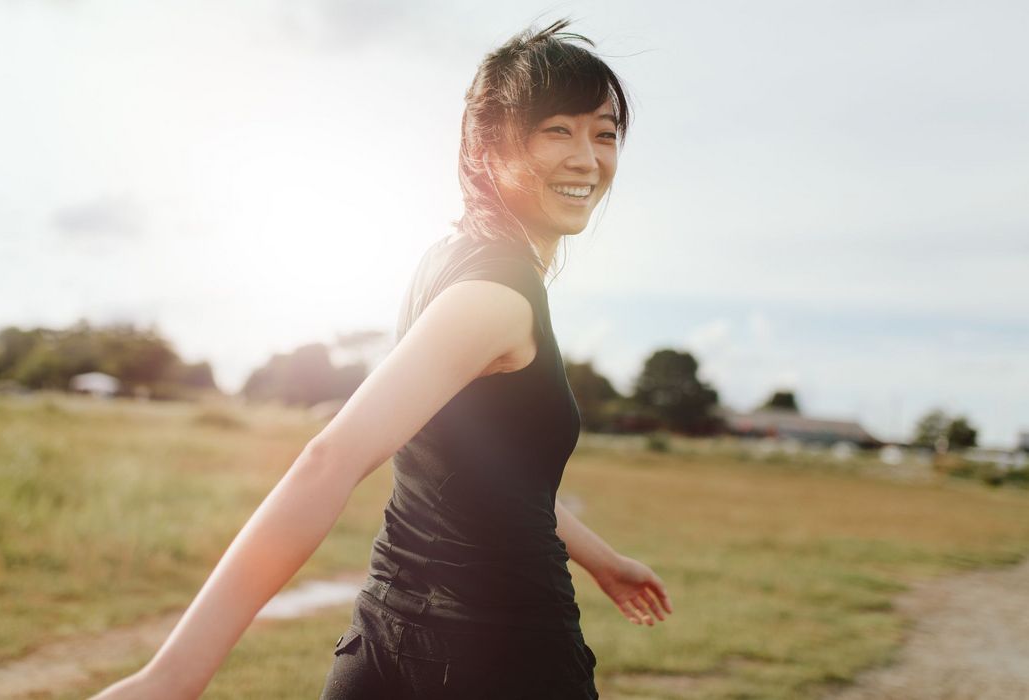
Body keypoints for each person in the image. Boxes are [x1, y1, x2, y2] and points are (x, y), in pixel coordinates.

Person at [92, 18, 672, 700]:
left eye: (604, 134)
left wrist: (601, 560)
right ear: (489, 147)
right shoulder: (495, 297)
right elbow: (328, 460)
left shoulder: (446, 264)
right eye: (558, 131)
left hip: (384, 647)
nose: (588, 158)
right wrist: (170, 677)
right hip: (505, 655)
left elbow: (484, 472)